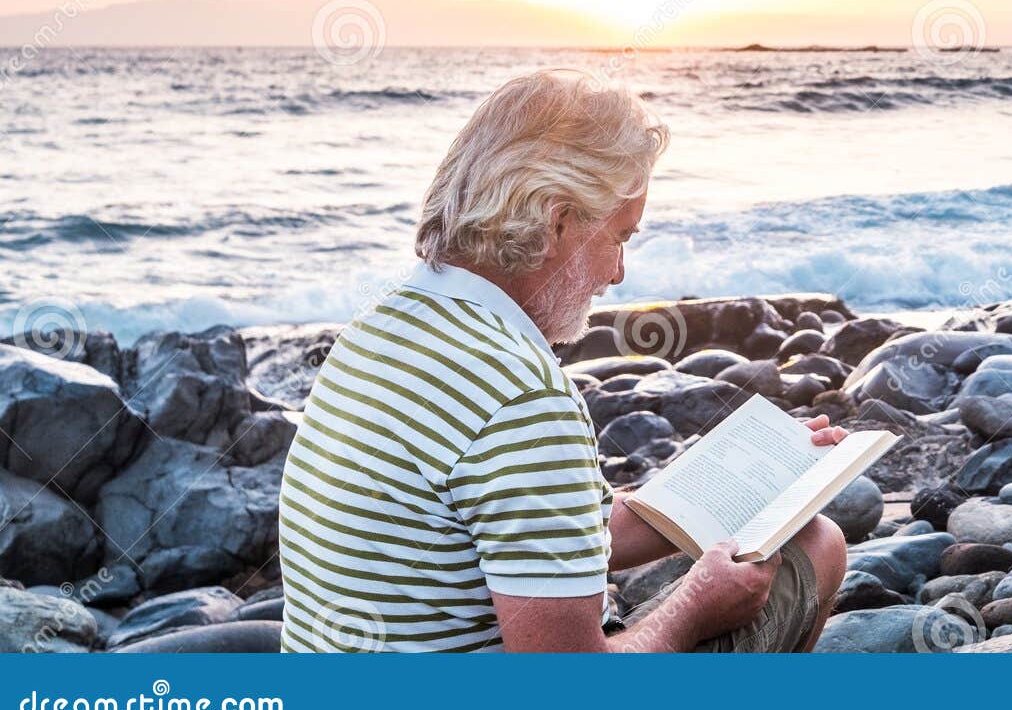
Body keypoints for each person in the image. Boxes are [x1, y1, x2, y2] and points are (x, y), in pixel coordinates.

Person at [277, 69, 846, 652]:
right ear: (555, 220)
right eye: (620, 236)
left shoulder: (381, 325)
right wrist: (696, 608)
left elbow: (542, 525)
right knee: (817, 548)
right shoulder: (521, 398)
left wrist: (749, 481)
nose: (618, 273)